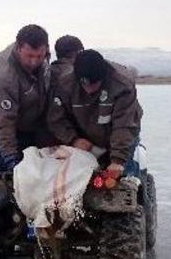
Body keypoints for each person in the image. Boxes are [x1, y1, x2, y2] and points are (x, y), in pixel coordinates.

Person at [46, 49, 143, 179]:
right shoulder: (65, 84)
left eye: (94, 84)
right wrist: (73, 139)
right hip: (86, 138)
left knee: (122, 175)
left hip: (121, 136)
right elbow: (56, 119)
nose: (89, 90)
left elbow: (124, 125)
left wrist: (118, 160)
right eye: (84, 84)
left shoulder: (122, 85)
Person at [0, 24, 53, 170]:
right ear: (19, 48)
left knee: (38, 169)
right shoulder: (4, 76)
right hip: (0, 125)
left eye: (39, 56)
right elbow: (4, 121)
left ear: (46, 49)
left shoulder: (43, 56)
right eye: (29, 56)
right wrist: (10, 157)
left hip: (29, 122)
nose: (34, 62)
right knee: (12, 172)